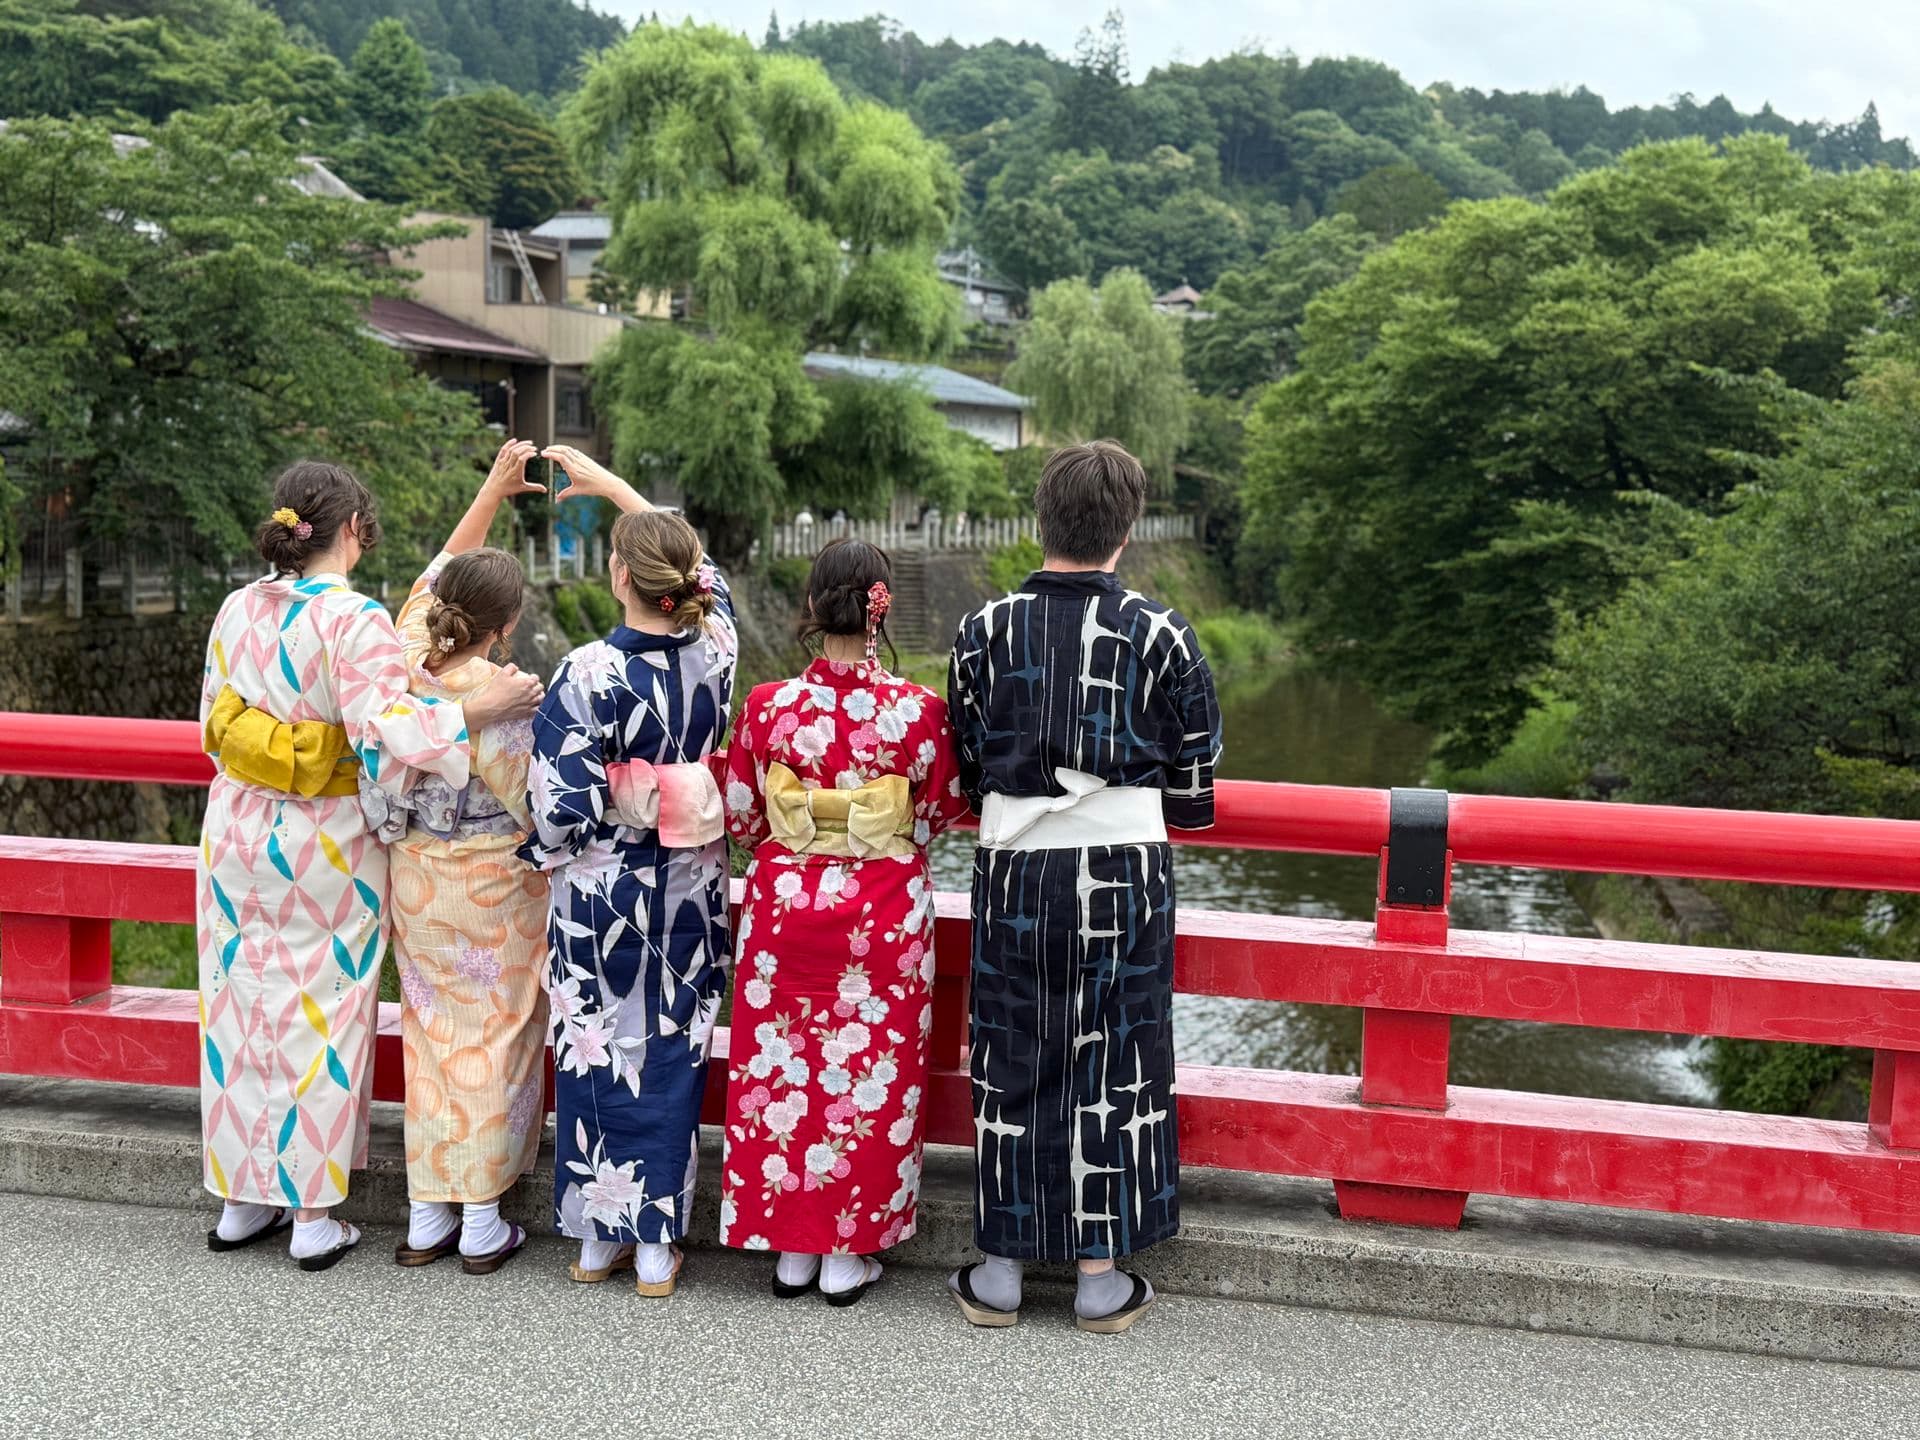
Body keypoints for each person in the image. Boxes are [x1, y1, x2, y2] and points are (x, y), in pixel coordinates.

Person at [198, 460, 543, 1270]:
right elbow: (387, 732)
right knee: (320, 1012)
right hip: (323, 838)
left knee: (239, 1004)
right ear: (353, 530)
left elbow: (215, 719)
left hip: (238, 826)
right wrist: (474, 710)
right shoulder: (351, 619)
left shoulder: (236, 608)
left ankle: (244, 1199)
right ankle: (313, 1215)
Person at [945, 440, 1221, 1333]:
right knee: (1119, 1052)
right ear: (1128, 527)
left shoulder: (982, 631)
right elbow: (1194, 792)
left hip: (1016, 864)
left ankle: (1000, 1270)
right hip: (1123, 868)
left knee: (1011, 1042)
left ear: (1041, 520)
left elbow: (962, 767)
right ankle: (1101, 1277)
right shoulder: (1161, 633)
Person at [717, 538, 969, 1304]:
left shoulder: (767, 706)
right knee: (867, 1078)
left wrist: (804, 840)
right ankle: (845, 1252)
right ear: (882, 605)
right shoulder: (920, 712)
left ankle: (792, 1249)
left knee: (780, 1069)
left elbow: (740, 818)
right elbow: (937, 814)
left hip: (785, 910)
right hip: (882, 914)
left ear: (810, 608)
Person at [520, 446, 737, 1298]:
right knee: (671, 1054)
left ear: (617, 576)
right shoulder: (715, 651)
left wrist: (558, 845)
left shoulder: (586, 671)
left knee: (595, 1050)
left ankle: (596, 1242)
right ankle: (655, 1246)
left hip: (600, 890)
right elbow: (706, 577)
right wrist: (619, 489)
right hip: (688, 887)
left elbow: (560, 810)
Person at [368, 439, 551, 1275]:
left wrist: (489, 489)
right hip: (493, 883)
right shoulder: (507, 696)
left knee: (430, 1032)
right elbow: (538, 805)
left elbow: (433, 574)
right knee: (501, 1032)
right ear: (507, 626)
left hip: (415, 874)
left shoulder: (403, 662)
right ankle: (479, 1215)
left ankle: (423, 1213)